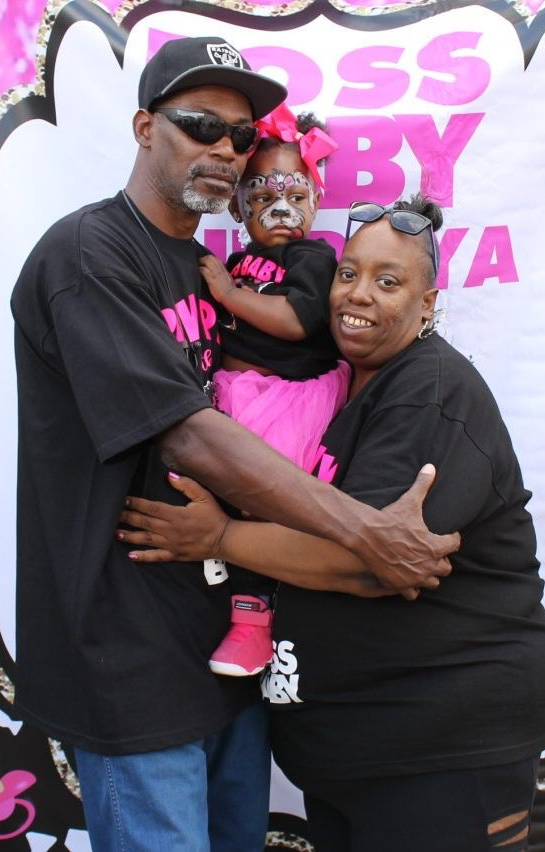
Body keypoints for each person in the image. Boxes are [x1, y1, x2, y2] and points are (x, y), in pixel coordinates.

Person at [11, 34, 458, 852]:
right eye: (200, 125)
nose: (224, 148)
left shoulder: (206, 268)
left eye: (241, 135)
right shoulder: (88, 256)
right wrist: (365, 533)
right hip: (129, 652)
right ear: (145, 128)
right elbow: (188, 434)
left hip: (221, 643)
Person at [119, 196, 545, 851]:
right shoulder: (339, 384)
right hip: (358, 749)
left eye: (388, 282)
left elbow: (367, 561)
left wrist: (219, 538)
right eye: (348, 273)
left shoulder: (428, 392)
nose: (358, 294)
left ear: (426, 305)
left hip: (439, 745)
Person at [199, 104, 348, 677]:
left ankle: (253, 625)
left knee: (262, 507)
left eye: (295, 195)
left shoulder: (313, 257)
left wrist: (228, 295)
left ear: (315, 200)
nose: (281, 210)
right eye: (262, 196)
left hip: (286, 404)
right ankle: (218, 553)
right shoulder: (241, 260)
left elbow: (298, 321)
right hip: (236, 397)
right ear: (238, 205)